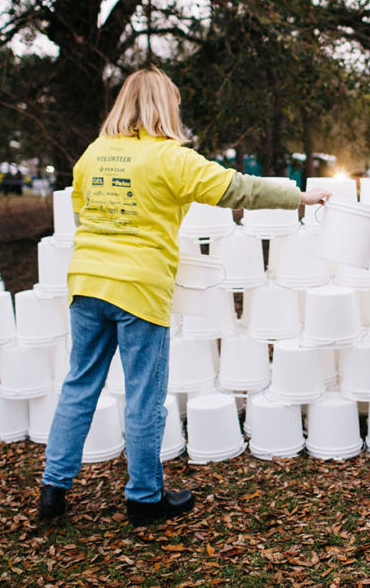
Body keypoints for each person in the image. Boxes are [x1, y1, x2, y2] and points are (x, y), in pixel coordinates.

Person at [38, 67, 331, 526]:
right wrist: (301, 196)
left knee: (79, 385)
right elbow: (239, 188)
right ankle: (144, 498)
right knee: (143, 398)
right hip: (138, 288)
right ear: (163, 106)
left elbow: (81, 213)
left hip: (86, 283)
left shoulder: (93, 155)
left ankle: (53, 492)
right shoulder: (170, 157)